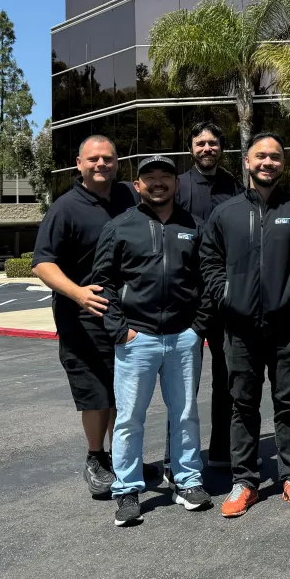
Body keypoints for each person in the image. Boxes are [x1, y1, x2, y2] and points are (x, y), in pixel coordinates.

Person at [200, 133, 290, 519]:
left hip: (288, 326)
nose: (267, 162)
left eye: (274, 156)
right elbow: (209, 259)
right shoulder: (226, 212)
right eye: (260, 156)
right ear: (247, 161)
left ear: (283, 163)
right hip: (239, 328)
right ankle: (245, 481)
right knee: (242, 405)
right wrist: (226, 296)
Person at [93, 155, 215, 526]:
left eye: (166, 176)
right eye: (150, 177)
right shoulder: (120, 226)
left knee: (185, 415)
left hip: (183, 338)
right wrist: (120, 330)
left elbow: (208, 279)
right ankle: (127, 489)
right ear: (137, 185)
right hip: (137, 338)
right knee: (130, 418)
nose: (158, 182)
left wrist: (198, 327)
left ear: (176, 184)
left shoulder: (194, 226)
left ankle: (187, 481)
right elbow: (103, 282)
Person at [32, 135, 137, 499]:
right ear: (79, 164)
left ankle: (122, 459)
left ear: (117, 162)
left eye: (108, 158)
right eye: (93, 159)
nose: (101, 164)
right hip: (82, 318)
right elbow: (42, 263)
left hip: (123, 315)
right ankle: (96, 458)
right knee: (96, 394)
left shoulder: (128, 196)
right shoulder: (65, 208)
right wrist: (77, 292)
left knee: (122, 392)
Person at [175, 121, 240, 471]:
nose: (207, 149)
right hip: (185, 297)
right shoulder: (178, 186)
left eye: (213, 143)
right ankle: (179, 457)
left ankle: (221, 450)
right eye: (200, 143)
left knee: (226, 376)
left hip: (223, 297)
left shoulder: (235, 186)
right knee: (182, 383)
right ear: (191, 149)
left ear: (221, 148)